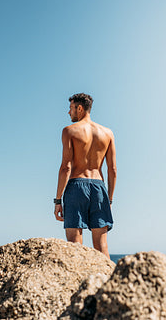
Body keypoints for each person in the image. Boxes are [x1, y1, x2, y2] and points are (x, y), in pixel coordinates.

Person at [54, 93, 116, 258]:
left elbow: (66, 168)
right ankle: (107, 281)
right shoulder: (108, 133)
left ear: (79, 108)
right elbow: (113, 170)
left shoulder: (69, 131)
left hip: (76, 187)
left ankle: (78, 283)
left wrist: (58, 200)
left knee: (74, 246)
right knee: (102, 245)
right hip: (99, 187)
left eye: (71, 108)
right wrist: (109, 199)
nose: (69, 113)